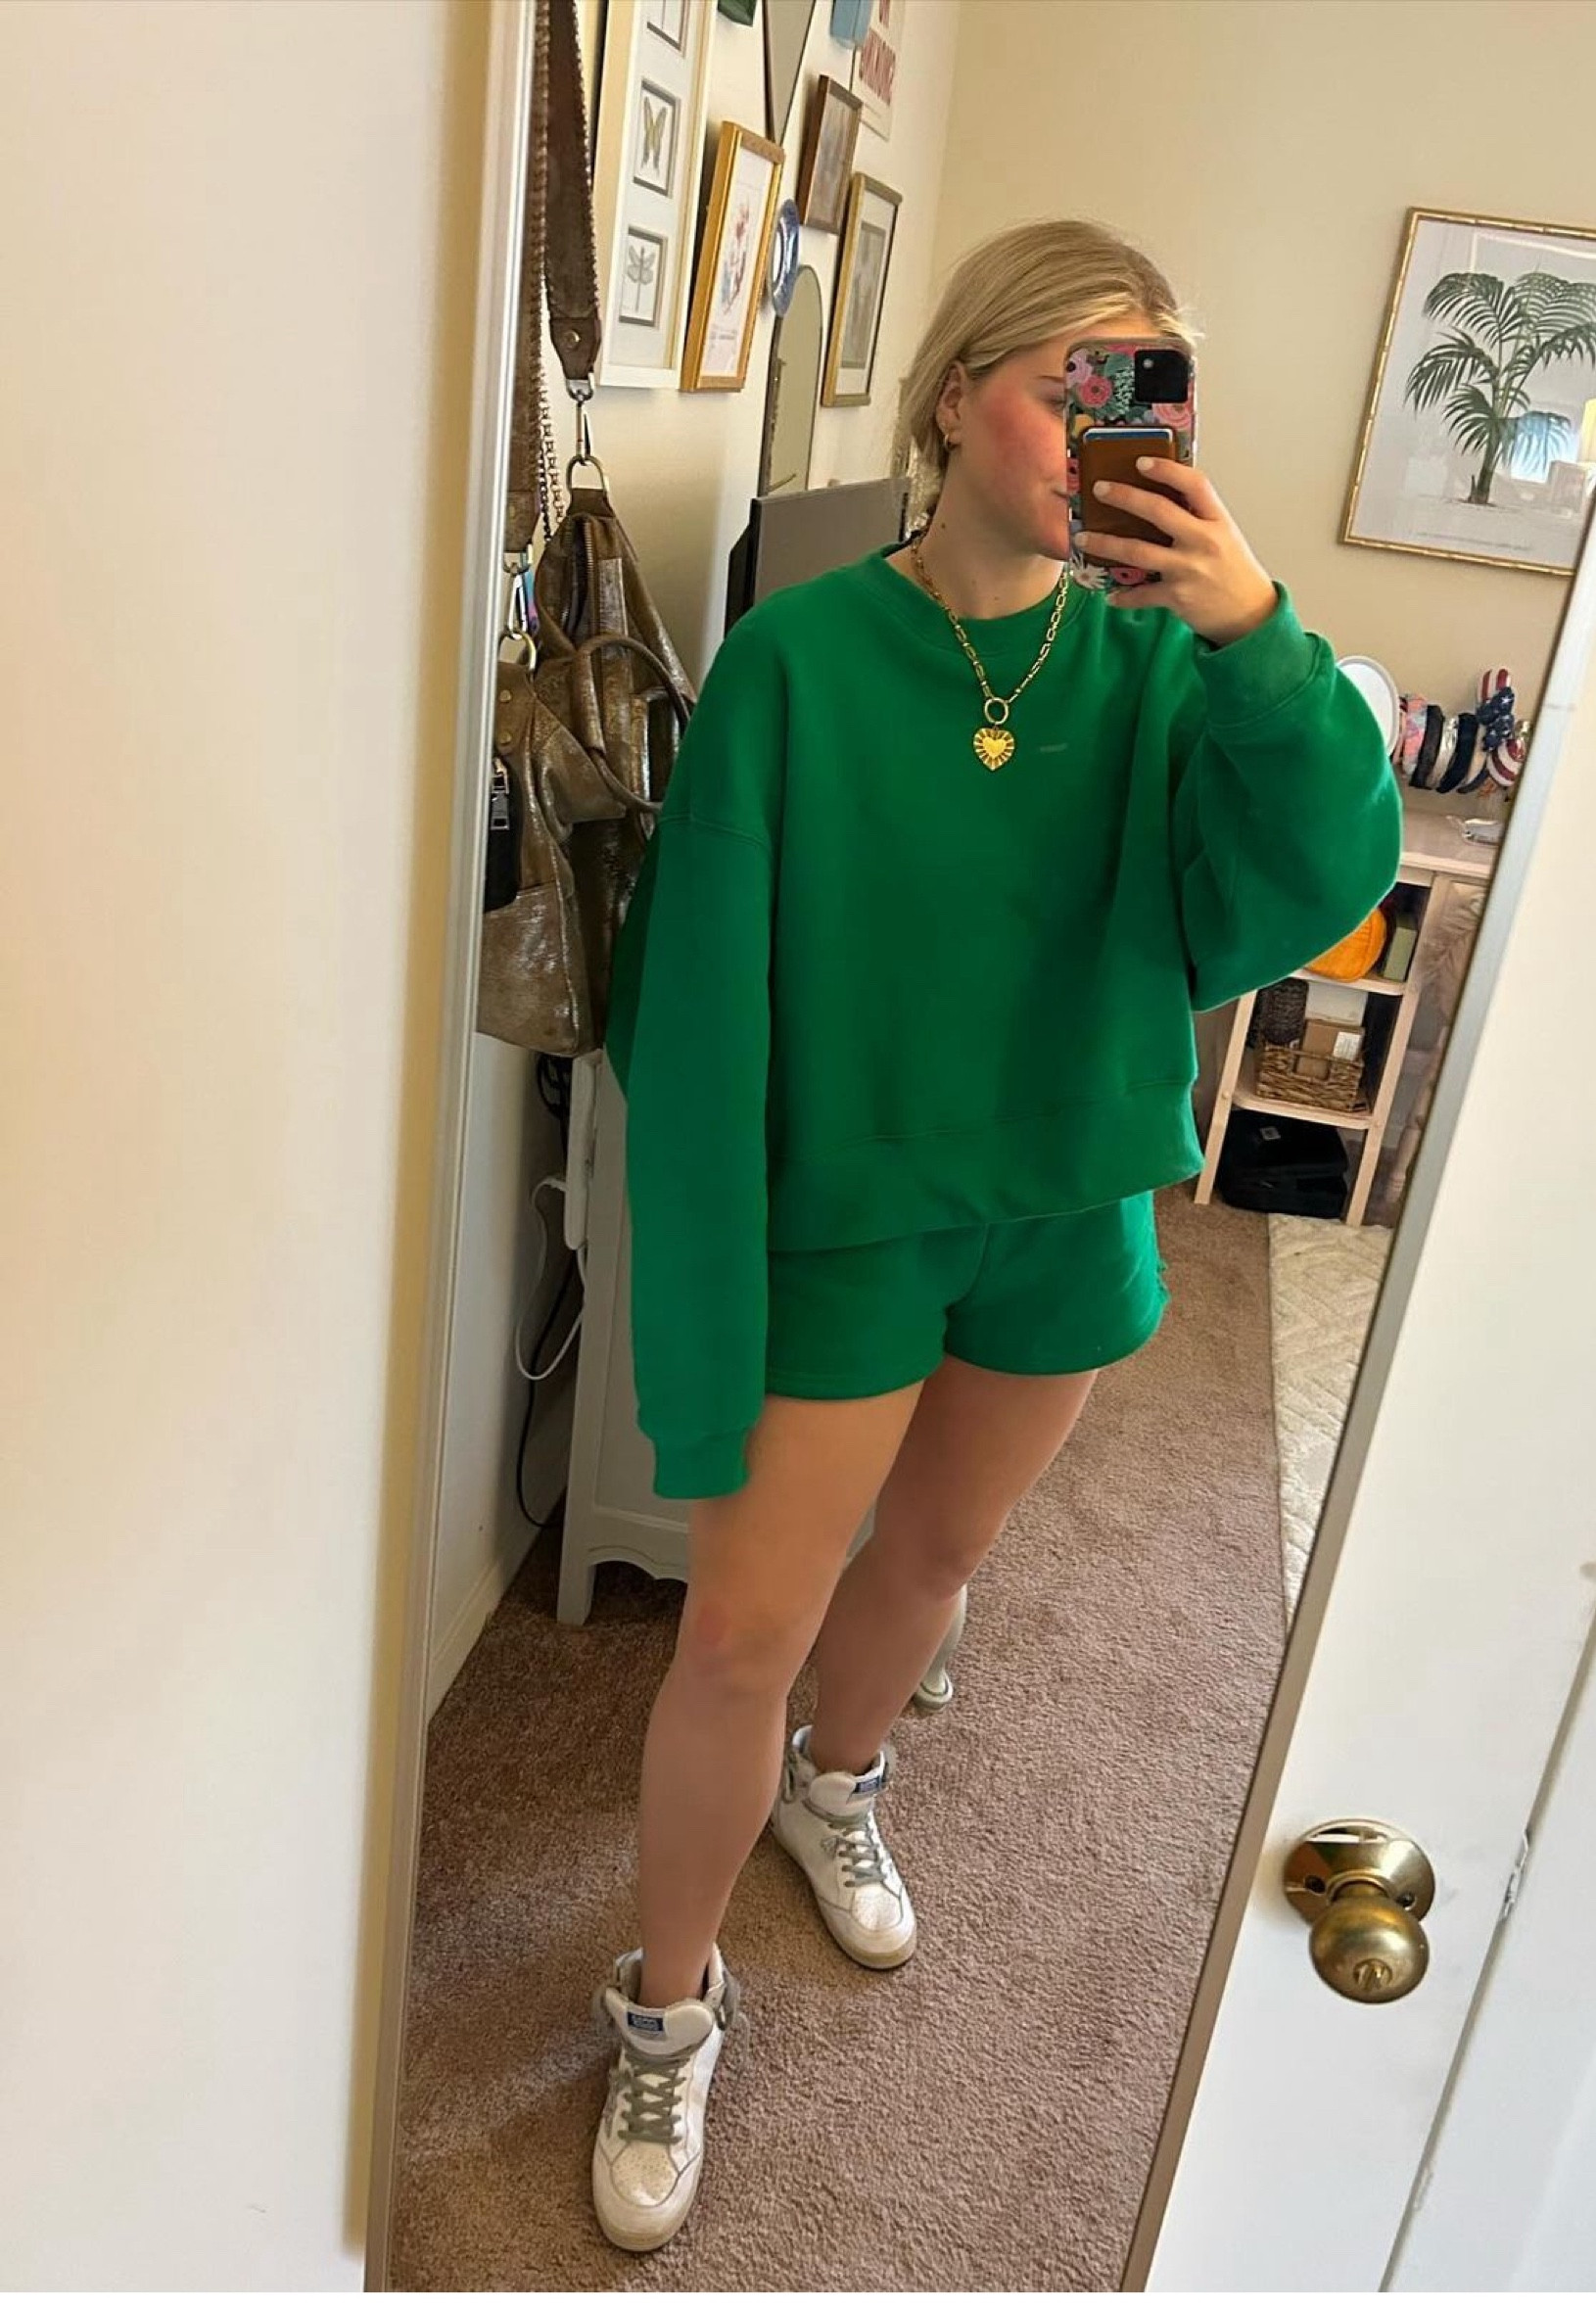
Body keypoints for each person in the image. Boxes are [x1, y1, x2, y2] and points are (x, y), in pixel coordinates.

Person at [588, 217, 1402, 2252]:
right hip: (848, 1217)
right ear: (958, 392)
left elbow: (1322, 875)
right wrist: (704, 1253)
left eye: (1152, 405)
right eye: (1072, 390)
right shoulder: (796, 659)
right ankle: (665, 2004)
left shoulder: (1169, 667)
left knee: (935, 1563)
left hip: (1066, 1201)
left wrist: (1258, 631)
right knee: (737, 1632)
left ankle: (839, 1782)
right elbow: (695, 996)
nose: (1111, 442)